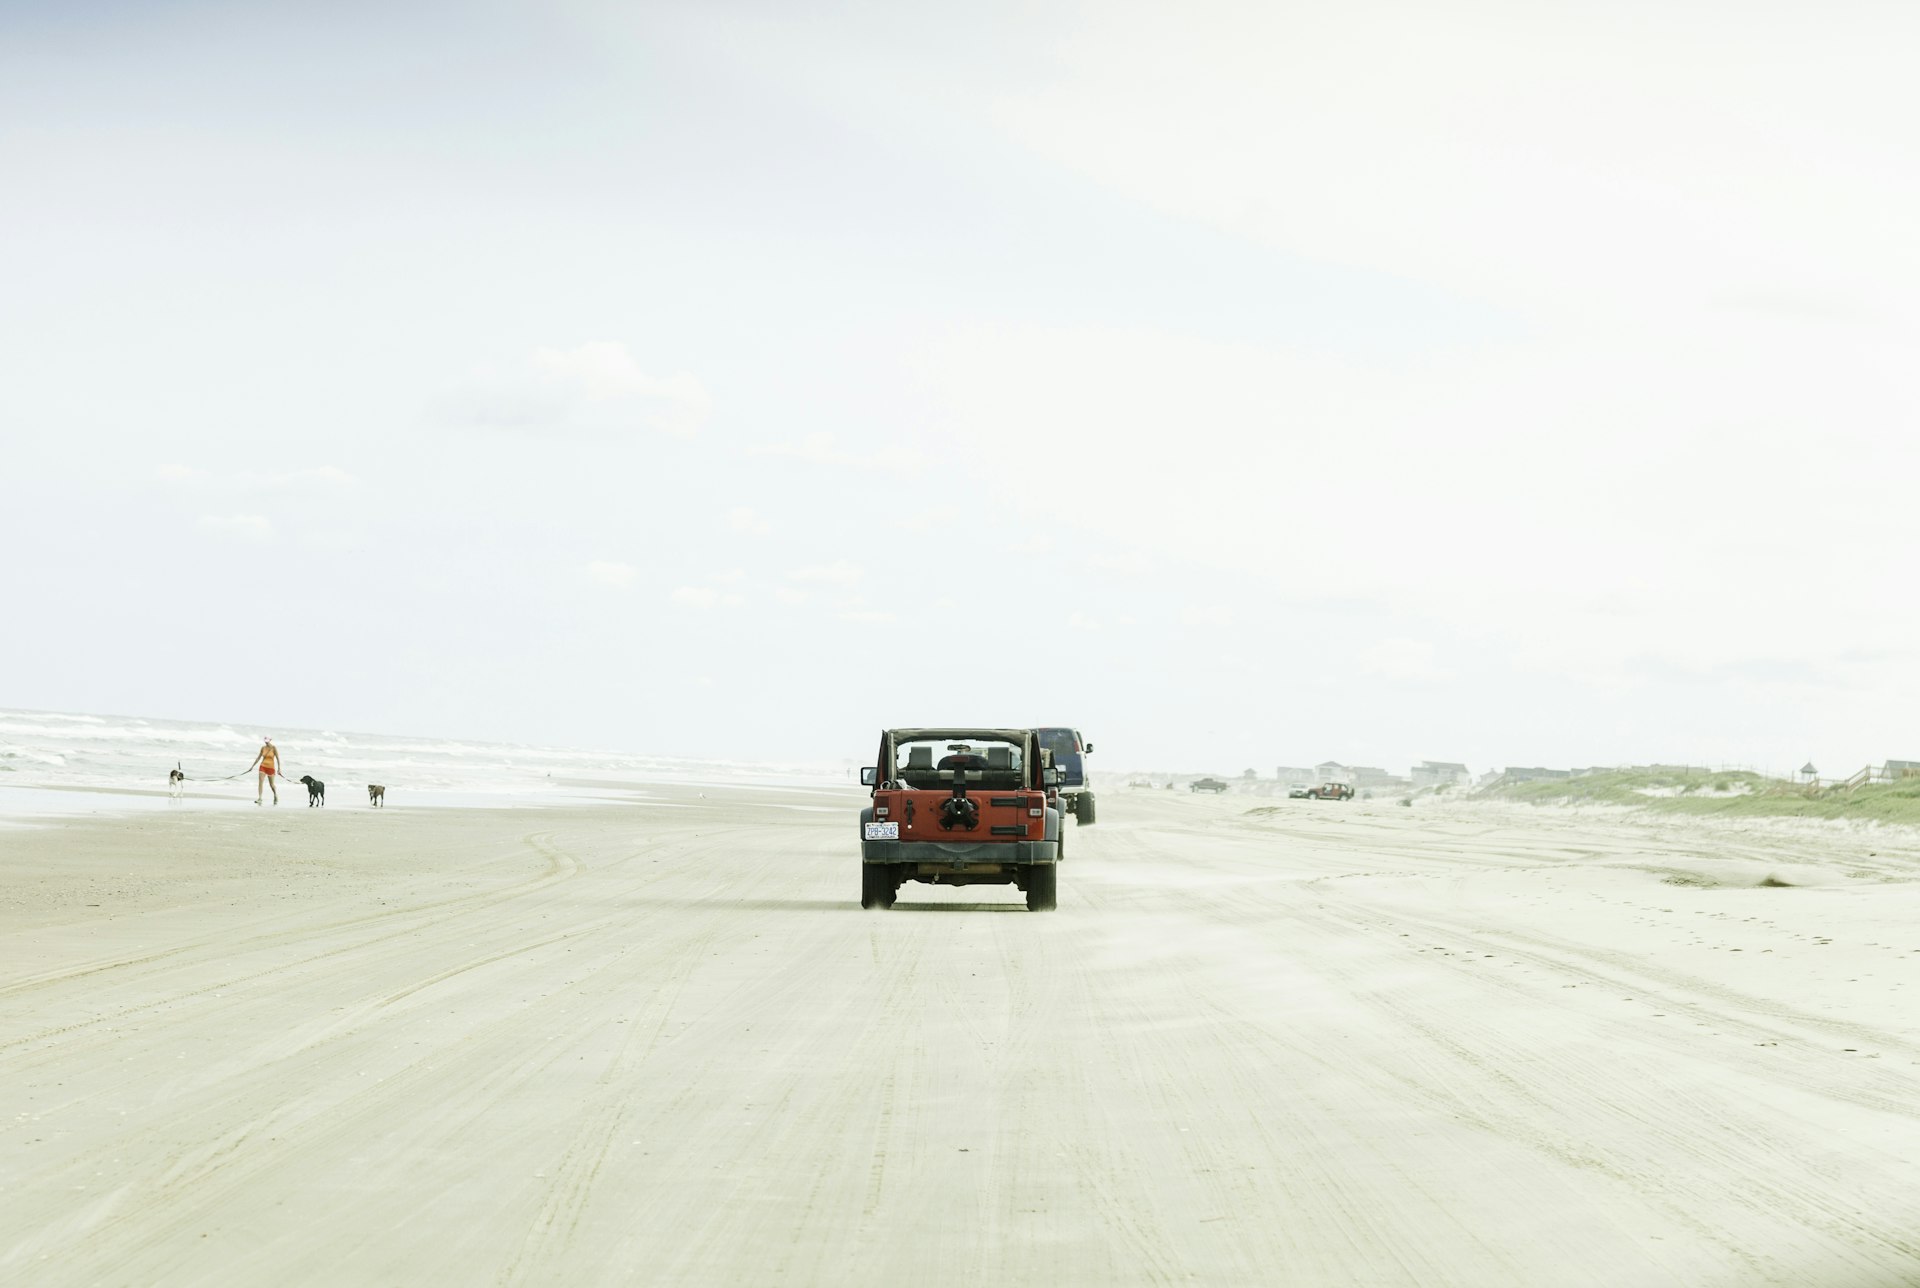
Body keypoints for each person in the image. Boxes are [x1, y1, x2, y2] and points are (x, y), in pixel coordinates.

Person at [246, 737, 281, 805]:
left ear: (270, 740)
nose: (266, 742)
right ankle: (260, 798)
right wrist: (252, 766)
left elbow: (277, 758)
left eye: (267, 740)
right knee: (260, 782)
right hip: (263, 766)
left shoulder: (274, 748)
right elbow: (258, 757)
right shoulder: (263, 748)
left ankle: (275, 795)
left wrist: (279, 768)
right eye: (265, 740)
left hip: (271, 768)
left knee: (271, 785)